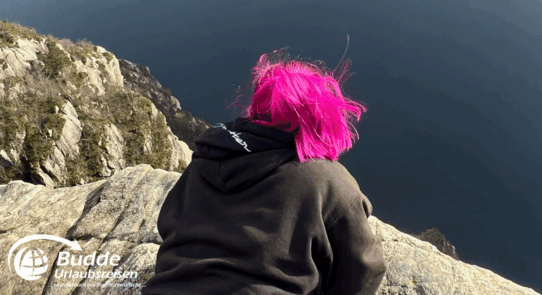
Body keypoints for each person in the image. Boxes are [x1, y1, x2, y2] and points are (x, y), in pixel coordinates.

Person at [141, 46, 386, 295]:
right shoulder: (328, 180)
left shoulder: (206, 160)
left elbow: (168, 224)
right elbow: (364, 270)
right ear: (324, 118)